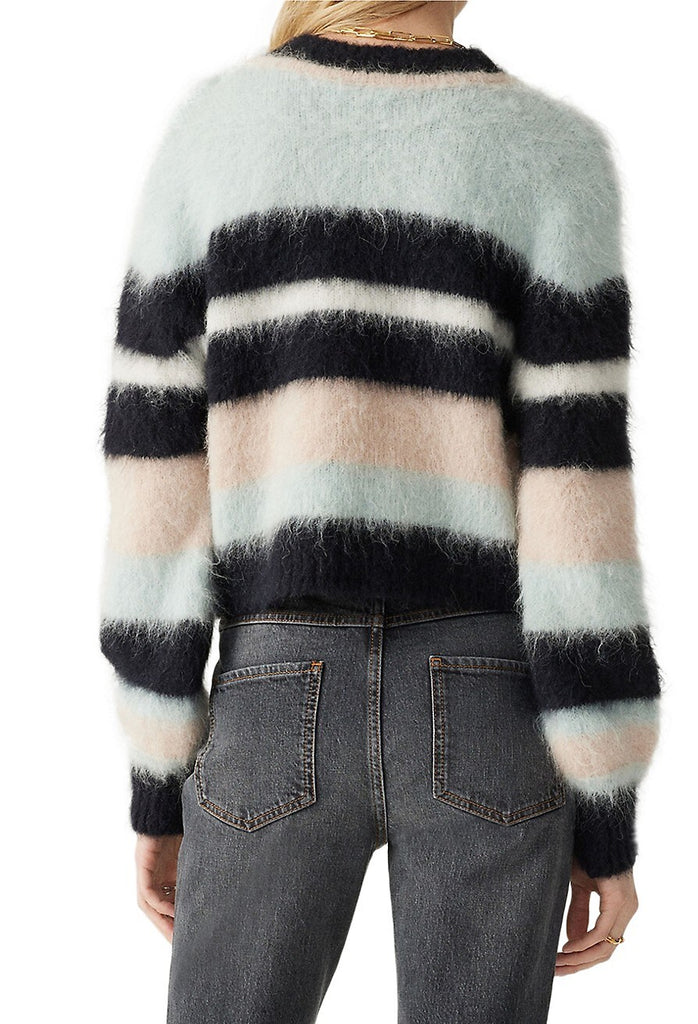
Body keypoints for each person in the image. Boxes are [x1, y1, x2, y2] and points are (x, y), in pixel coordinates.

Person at [98, 2, 663, 1020]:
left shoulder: (218, 132)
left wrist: (157, 770)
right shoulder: (551, 153)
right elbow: (579, 497)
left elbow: (156, 474)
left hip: (272, 689)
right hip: (490, 698)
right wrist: (606, 805)